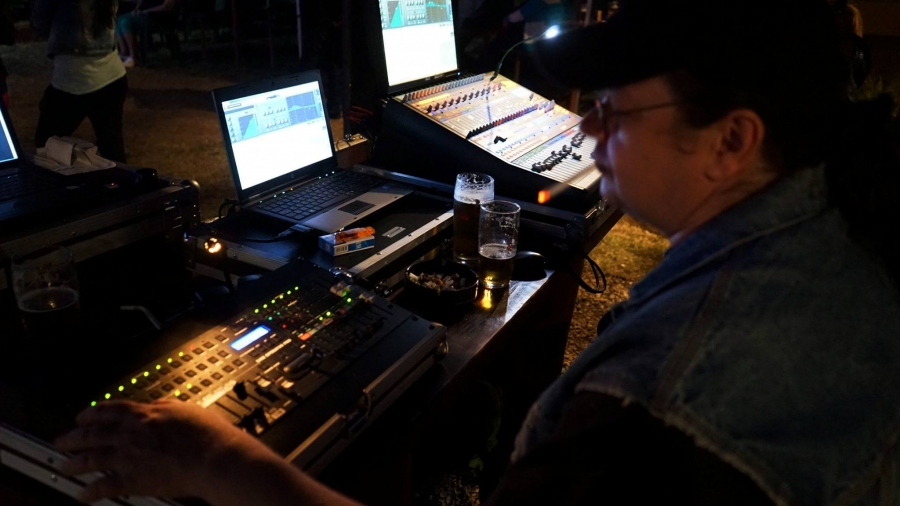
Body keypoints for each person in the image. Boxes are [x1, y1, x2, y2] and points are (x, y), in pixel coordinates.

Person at [53, 0, 900, 504]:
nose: (587, 126)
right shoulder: (835, 236)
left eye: (615, 109)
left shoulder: (661, 404)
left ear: (732, 141)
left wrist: (219, 459)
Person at [32, 0, 128, 163]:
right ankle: (119, 178)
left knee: (47, 143)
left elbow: (40, 22)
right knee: (112, 147)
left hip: (72, 79)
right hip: (111, 74)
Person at [114, 0, 177, 68]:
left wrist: (146, 11)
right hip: (145, 14)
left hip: (158, 18)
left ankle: (133, 57)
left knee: (125, 22)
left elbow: (166, 6)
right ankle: (124, 53)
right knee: (118, 20)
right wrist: (137, 9)